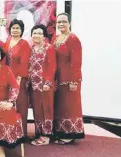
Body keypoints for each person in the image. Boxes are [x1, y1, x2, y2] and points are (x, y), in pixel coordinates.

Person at [52, 13, 84, 144]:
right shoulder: (56, 37)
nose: (60, 24)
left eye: (63, 22)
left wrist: (74, 81)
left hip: (69, 79)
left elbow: (76, 61)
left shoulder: (73, 38)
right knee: (60, 106)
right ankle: (60, 131)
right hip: (58, 79)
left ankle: (70, 134)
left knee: (70, 106)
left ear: (69, 23)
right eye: (58, 22)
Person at [28, 24, 56, 146]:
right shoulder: (31, 48)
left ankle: (46, 136)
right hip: (34, 85)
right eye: (34, 33)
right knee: (37, 109)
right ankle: (39, 132)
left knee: (46, 109)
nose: (36, 35)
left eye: (39, 33)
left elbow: (52, 66)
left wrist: (48, 82)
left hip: (45, 85)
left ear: (44, 36)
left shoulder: (48, 48)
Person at [3, 19, 31, 138]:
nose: (15, 30)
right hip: (6, 78)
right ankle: (9, 131)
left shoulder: (24, 44)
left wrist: (19, 78)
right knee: (8, 104)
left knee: (20, 105)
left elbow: (25, 62)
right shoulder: (6, 42)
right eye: (13, 28)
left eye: (17, 28)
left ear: (21, 30)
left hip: (19, 78)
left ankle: (21, 133)